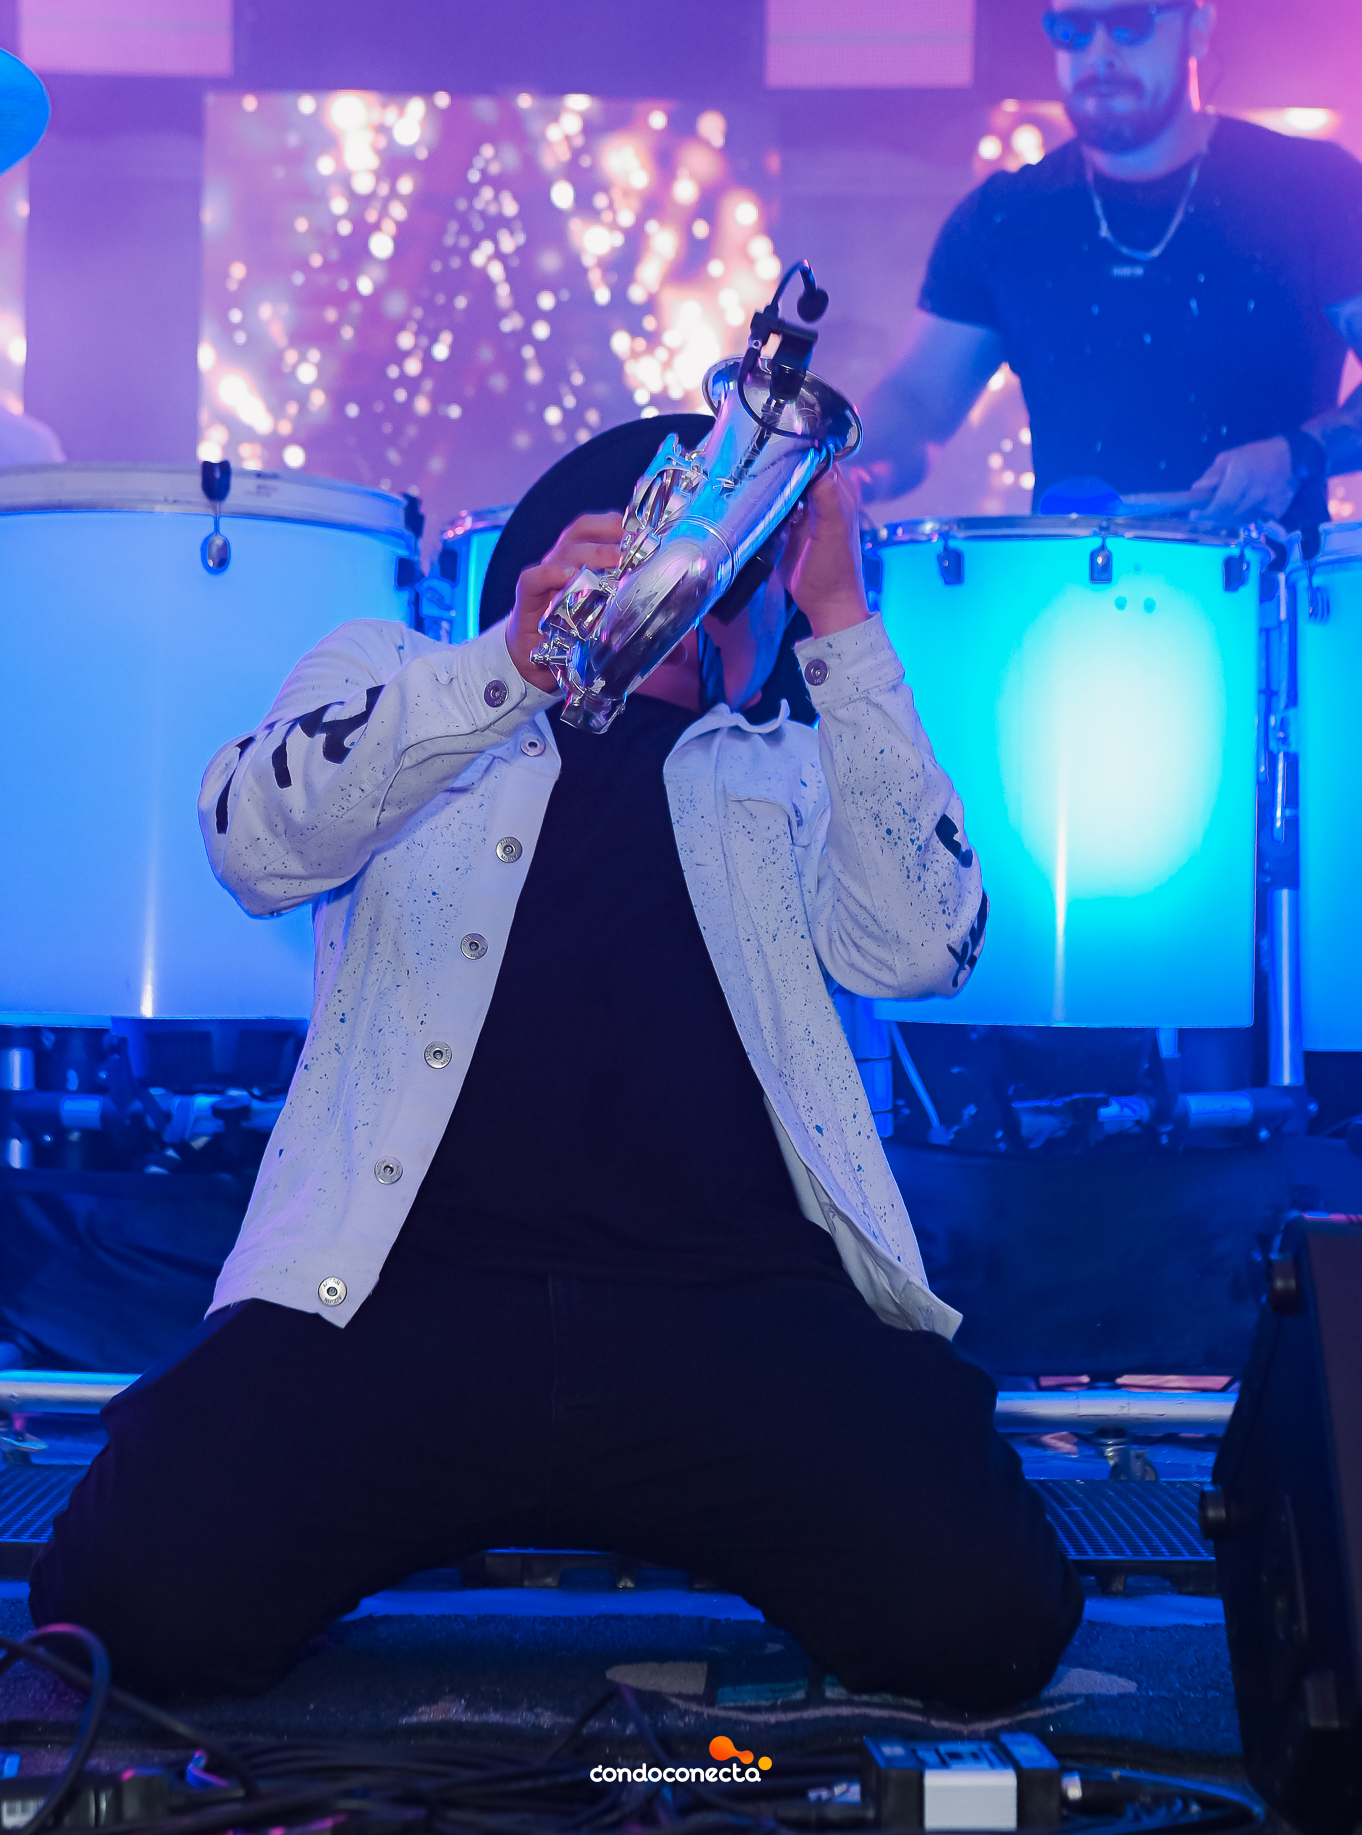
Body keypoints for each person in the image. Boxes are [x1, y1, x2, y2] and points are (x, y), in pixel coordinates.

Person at [30, 416, 1077, 1711]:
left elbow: (924, 944)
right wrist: (511, 665)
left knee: (987, 1624)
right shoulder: (401, 673)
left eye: (723, 583)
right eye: (658, 561)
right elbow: (255, 838)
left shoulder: (787, 760)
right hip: (395, 1300)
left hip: (733, 1308)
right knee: (124, 1607)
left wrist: (841, 620)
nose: (685, 606)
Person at [862, 0, 1362, 528]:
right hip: (1068, 588)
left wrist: (1301, 453)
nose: (1099, 53)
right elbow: (917, 406)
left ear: (1198, 29)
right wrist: (839, 473)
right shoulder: (1001, 220)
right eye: (1072, 29)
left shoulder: (1314, 187)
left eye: (1130, 24)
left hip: (1270, 583)